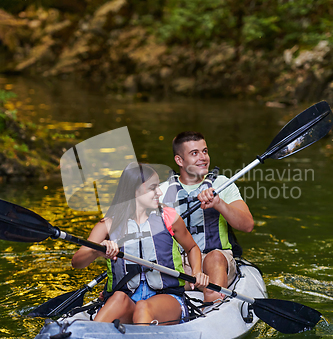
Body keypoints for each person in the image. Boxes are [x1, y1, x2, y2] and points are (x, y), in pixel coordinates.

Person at [72, 162, 209, 325]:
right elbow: (77, 262)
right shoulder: (108, 224)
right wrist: (97, 250)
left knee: (143, 307)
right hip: (128, 301)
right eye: (153, 188)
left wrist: (197, 271)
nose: (159, 192)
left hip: (166, 298)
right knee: (118, 298)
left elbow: (192, 247)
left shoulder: (168, 217)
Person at [159, 131, 254, 303]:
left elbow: (247, 225)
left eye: (205, 151)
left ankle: (214, 305)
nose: (203, 157)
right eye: (194, 153)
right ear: (179, 160)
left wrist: (219, 204)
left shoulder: (222, 184)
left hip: (217, 260)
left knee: (215, 257)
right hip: (179, 263)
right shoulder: (161, 191)